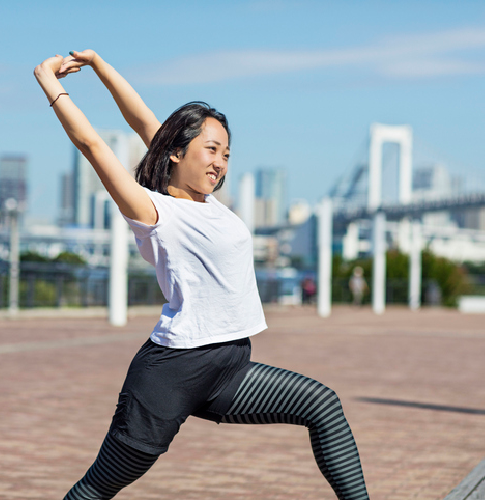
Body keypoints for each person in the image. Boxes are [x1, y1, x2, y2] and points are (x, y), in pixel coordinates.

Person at [34, 50, 370, 500]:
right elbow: (93, 145)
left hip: (227, 369)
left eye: (226, 153)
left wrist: (100, 67)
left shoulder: (205, 202)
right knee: (95, 490)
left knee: (322, 404)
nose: (220, 163)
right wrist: (48, 82)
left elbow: (143, 118)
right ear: (176, 153)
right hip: (172, 375)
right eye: (211, 149)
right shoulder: (156, 211)